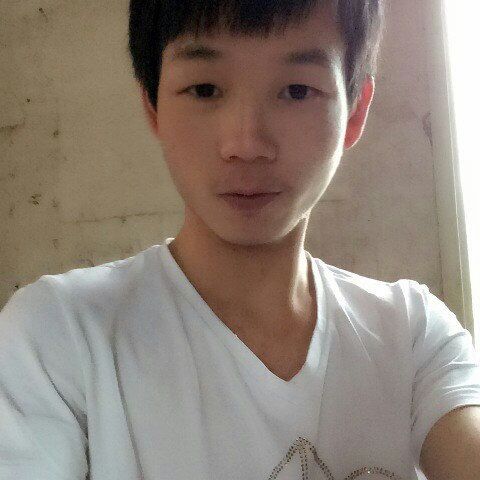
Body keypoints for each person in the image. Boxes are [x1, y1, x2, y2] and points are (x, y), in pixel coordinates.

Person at [1, 0, 480, 479]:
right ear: (153, 107)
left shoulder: (412, 336)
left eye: (297, 90)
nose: (247, 144)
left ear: (355, 112)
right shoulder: (56, 337)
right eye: (204, 89)